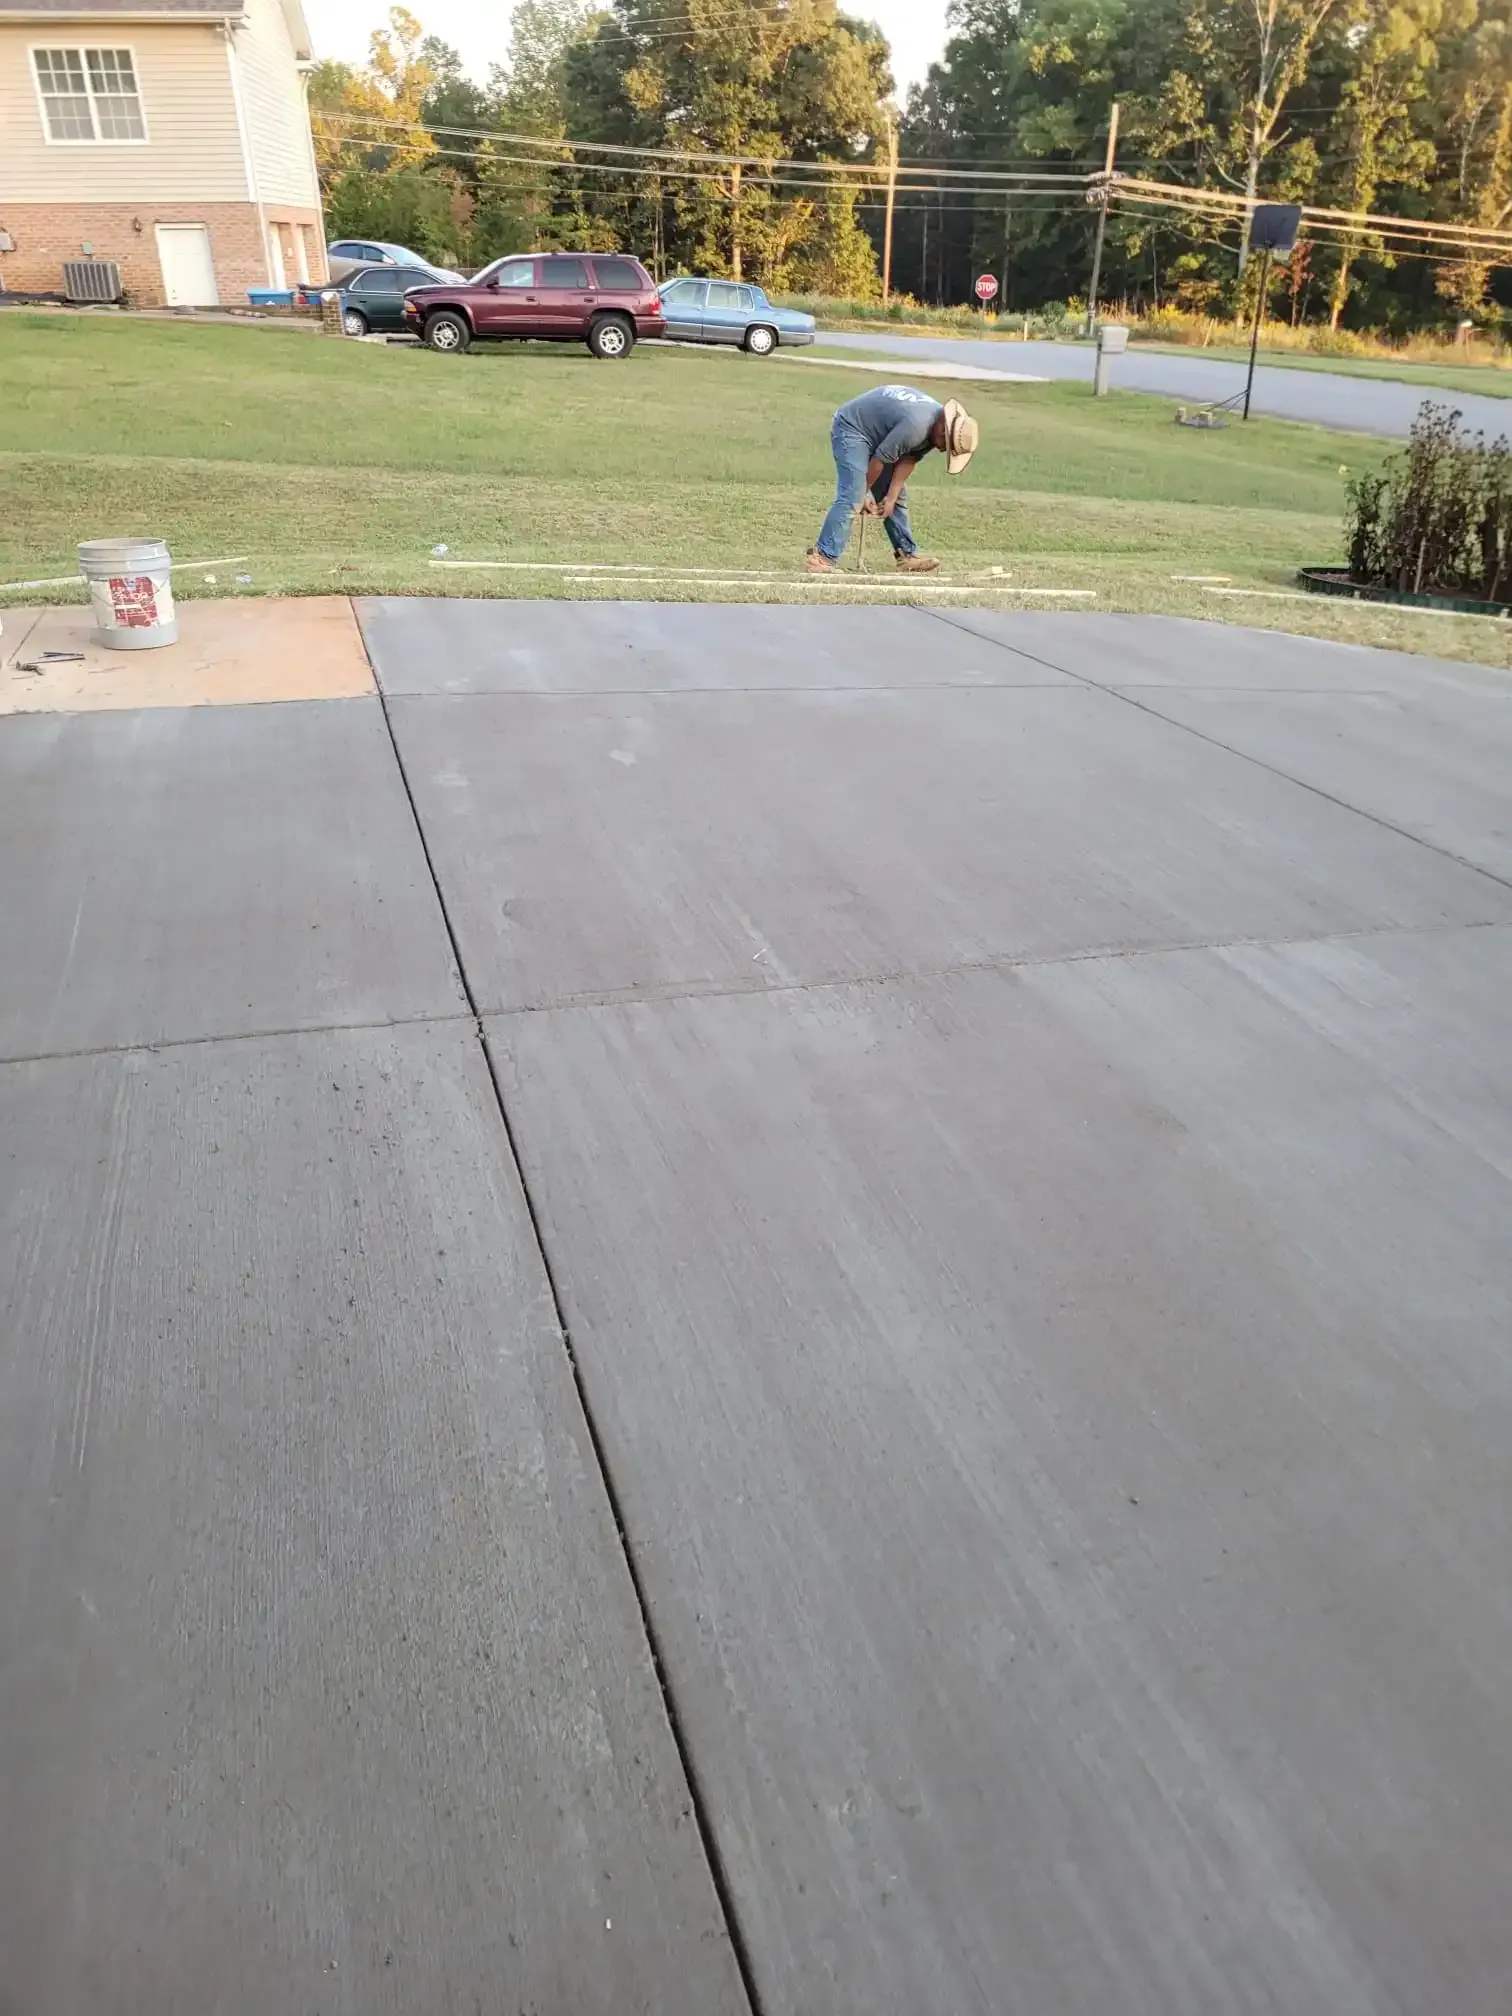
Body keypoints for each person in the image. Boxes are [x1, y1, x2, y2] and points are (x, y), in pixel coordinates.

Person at [806, 386, 979, 574]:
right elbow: (880, 459)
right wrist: (865, 492)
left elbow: (909, 458)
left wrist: (891, 497)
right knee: (853, 495)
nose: (943, 450)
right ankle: (821, 558)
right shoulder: (916, 427)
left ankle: (906, 556)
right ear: (944, 433)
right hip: (853, 427)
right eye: (948, 446)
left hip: (882, 434)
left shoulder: (935, 426)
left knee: (895, 496)